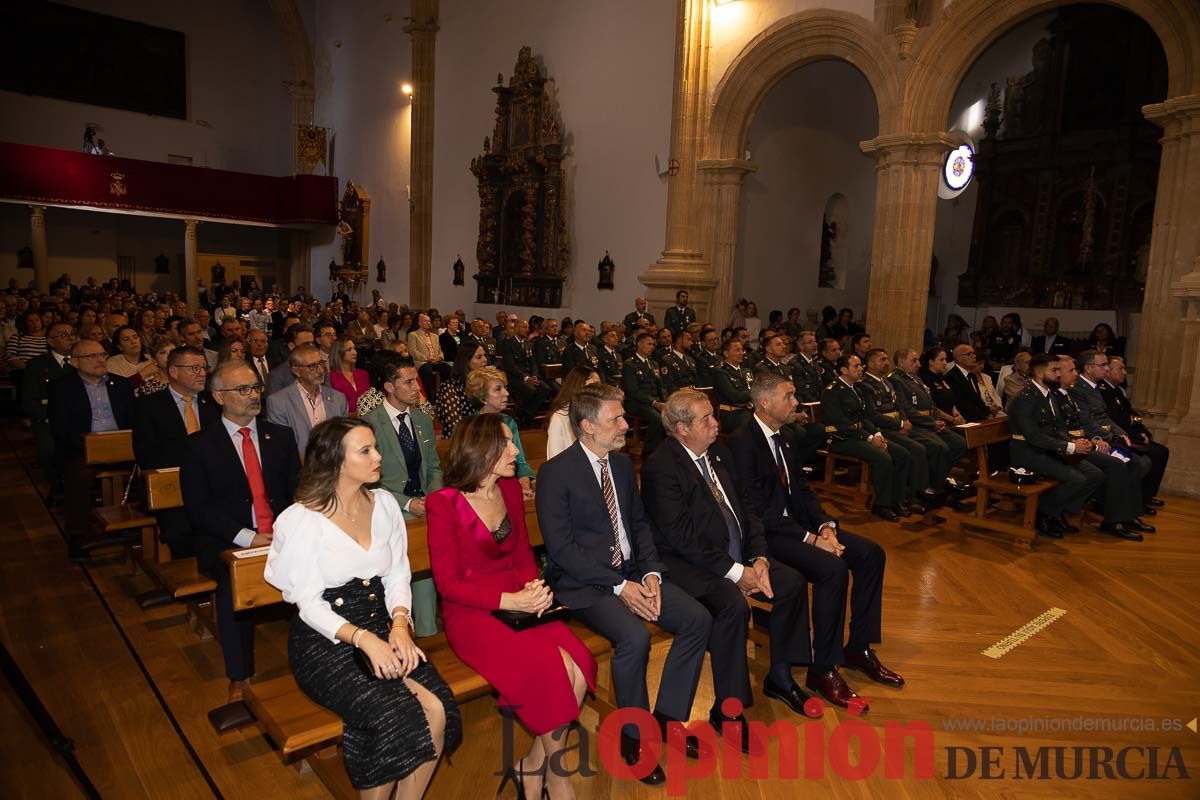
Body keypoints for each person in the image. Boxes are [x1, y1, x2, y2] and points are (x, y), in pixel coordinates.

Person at [264, 417, 460, 797]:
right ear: (336, 461)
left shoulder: (384, 504)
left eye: (375, 447)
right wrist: (366, 640)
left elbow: (397, 573)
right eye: (365, 450)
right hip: (327, 640)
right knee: (393, 718)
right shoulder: (302, 520)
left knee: (439, 709)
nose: (379, 457)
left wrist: (400, 624)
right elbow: (306, 603)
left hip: (383, 625)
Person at [536, 383, 712, 786]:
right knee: (634, 638)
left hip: (632, 573)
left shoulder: (619, 465)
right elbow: (562, 551)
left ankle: (668, 716)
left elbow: (638, 524)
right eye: (615, 418)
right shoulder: (556, 473)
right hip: (585, 584)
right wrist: (620, 587)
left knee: (697, 619)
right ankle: (633, 737)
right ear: (587, 425)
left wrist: (650, 571)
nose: (625, 424)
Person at [427, 415, 595, 799]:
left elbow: (521, 554)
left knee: (580, 665)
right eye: (506, 444)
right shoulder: (444, 504)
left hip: (517, 600)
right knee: (551, 670)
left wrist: (534, 586)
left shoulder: (510, 490)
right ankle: (560, 782)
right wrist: (510, 599)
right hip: (472, 611)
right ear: (480, 449)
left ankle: (531, 767)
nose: (516, 451)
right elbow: (448, 584)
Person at [641, 389, 812, 746]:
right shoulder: (662, 466)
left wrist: (759, 558)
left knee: (792, 583)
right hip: (688, 563)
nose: (716, 424)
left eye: (713, 416)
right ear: (681, 428)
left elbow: (747, 511)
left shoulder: (718, 453)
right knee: (732, 607)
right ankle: (728, 709)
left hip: (738, 557)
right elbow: (683, 538)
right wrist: (737, 574)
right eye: (706, 419)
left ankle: (780, 675)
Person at [727, 373, 902, 710]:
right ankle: (822, 668)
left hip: (799, 527)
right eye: (789, 396)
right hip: (769, 537)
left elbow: (803, 492)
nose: (797, 402)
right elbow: (755, 511)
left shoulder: (787, 437)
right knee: (832, 569)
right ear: (764, 403)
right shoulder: (741, 442)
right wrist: (809, 538)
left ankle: (858, 647)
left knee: (870, 554)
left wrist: (824, 526)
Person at [181, 361, 300, 701]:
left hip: (280, 535)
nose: (253, 396)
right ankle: (240, 675)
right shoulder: (199, 445)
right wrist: (248, 538)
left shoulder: (279, 436)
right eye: (243, 389)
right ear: (218, 396)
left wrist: (287, 531)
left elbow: (297, 492)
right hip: (228, 540)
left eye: (256, 388)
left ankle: (314, 662)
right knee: (235, 585)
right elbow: (199, 509)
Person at [49, 339, 135, 559]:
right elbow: (61, 429)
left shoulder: (122, 384)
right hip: (83, 447)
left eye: (102, 355)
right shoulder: (63, 388)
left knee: (149, 468)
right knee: (78, 476)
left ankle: (134, 525)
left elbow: (134, 420)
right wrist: (91, 446)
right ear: (75, 362)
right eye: (92, 356)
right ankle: (78, 535)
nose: (99, 360)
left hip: (123, 444)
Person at [131, 346, 221, 556]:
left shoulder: (214, 403)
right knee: (183, 534)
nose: (202, 374)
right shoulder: (149, 406)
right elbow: (146, 455)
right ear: (173, 371)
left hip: (214, 485)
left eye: (204, 368)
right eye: (194, 368)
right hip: (172, 487)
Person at [1005, 354, 1105, 539]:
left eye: (1059, 370)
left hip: (1048, 449)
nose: (1059, 374)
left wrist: (1074, 442)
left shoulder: (1048, 394)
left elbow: (1058, 427)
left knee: (1094, 474)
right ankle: (1044, 514)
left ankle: (1057, 512)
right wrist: (1069, 447)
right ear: (1040, 373)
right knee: (1076, 479)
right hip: (1028, 453)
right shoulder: (1025, 399)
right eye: (1055, 370)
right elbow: (1033, 437)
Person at [1055, 355, 1152, 539]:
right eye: (1072, 370)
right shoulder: (1068, 392)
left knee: (1132, 462)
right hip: (1076, 445)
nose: (1076, 373)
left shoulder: (1069, 391)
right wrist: (1097, 438)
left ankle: (1127, 515)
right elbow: (1078, 424)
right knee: (1119, 465)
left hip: (1088, 441)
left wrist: (1115, 435)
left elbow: (1099, 417)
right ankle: (1114, 520)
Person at [821, 355, 909, 522]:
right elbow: (842, 424)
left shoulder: (856, 388)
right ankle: (881, 505)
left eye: (861, 365)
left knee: (902, 454)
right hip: (841, 439)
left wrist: (876, 433)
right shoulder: (832, 391)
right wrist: (869, 437)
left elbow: (865, 417)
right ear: (844, 370)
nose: (861, 368)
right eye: (856, 366)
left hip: (859, 436)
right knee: (883, 458)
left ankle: (895, 501)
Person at [362, 358, 442, 515]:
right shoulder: (369, 425)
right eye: (409, 382)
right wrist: (407, 503)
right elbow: (367, 480)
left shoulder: (423, 420)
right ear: (389, 387)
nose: (417, 388)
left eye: (417, 381)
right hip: (390, 506)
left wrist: (433, 497)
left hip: (425, 500)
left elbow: (434, 467)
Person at [858, 350, 934, 514]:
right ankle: (906, 498)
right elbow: (872, 415)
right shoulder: (864, 384)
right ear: (871, 364)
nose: (887, 362)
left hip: (896, 427)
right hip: (883, 429)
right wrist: (898, 423)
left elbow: (899, 405)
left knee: (920, 448)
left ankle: (911, 495)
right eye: (882, 360)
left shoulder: (887, 382)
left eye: (887, 359)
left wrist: (905, 421)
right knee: (913, 451)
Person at [890, 349, 969, 496]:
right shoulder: (895, 380)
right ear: (901, 361)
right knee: (940, 448)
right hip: (916, 425)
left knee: (960, 443)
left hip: (931, 422)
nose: (919, 364)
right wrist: (931, 423)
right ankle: (930, 486)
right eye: (914, 360)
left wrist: (936, 420)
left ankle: (936, 478)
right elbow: (906, 409)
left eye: (919, 360)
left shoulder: (916, 378)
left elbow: (931, 404)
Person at [1099, 357, 1168, 508]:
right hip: (1121, 435)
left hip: (1130, 434)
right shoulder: (1103, 390)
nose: (1124, 372)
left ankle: (1146, 496)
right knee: (1154, 455)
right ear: (1108, 372)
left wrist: (1144, 432)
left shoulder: (1117, 390)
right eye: (1120, 368)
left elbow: (1132, 414)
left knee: (1161, 452)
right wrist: (1135, 434)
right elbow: (1117, 419)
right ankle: (1138, 499)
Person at [21, 321, 74, 502]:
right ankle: (58, 486)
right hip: (49, 419)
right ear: (50, 342)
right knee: (48, 448)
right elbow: (29, 400)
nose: (70, 338)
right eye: (63, 335)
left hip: (79, 418)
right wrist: (48, 417)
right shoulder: (37, 365)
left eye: (71, 334)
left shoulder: (81, 361)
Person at [267, 344, 349, 455]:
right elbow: (282, 446)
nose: (320, 370)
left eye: (321, 364)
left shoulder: (338, 399)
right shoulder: (278, 402)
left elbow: (345, 439)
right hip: (300, 468)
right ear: (296, 371)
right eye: (312, 366)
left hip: (334, 465)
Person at [467, 367, 534, 499]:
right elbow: (473, 471)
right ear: (482, 397)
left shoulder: (509, 422)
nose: (506, 393)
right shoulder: (470, 428)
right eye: (498, 389)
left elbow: (520, 462)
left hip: (511, 481)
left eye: (505, 388)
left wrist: (524, 484)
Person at [622, 332, 668, 457]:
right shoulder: (630, 364)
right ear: (639, 345)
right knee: (658, 420)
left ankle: (665, 451)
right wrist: (654, 402)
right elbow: (633, 391)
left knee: (673, 415)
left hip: (654, 402)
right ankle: (649, 453)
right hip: (636, 402)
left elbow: (661, 386)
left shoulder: (654, 364)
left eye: (653, 344)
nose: (652, 347)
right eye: (649, 344)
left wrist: (665, 402)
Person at [500, 318, 552, 426]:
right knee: (530, 390)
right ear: (516, 328)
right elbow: (511, 366)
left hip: (528, 375)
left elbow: (533, 362)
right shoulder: (508, 343)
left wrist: (534, 375)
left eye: (527, 327)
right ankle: (523, 415)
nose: (527, 329)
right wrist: (526, 378)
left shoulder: (528, 343)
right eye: (524, 327)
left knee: (545, 389)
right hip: (515, 377)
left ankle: (526, 413)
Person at [544, 367, 600, 460]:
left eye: (599, 386)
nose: (598, 391)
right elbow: (554, 459)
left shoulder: (600, 413)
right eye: (593, 386)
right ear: (578, 387)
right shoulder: (560, 418)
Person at [436, 344, 486, 439]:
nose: (485, 360)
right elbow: (454, 425)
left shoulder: (483, 384)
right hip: (461, 442)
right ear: (466, 361)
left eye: (484, 356)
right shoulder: (450, 386)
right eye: (479, 357)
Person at [407, 313, 451, 401]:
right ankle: (428, 397)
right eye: (425, 321)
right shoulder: (413, 335)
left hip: (435, 361)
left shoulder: (435, 336)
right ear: (419, 323)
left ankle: (445, 394)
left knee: (447, 368)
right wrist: (427, 358)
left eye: (429, 321)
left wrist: (439, 357)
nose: (428, 323)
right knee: (427, 370)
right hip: (422, 361)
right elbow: (413, 351)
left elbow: (440, 350)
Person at [330, 338, 370, 414]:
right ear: (339, 353)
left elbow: (369, 401)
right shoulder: (332, 377)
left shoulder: (363, 374)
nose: (355, 352)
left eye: (354, 349)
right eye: (349, 350)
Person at [660, 330, 698, 395]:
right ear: (679, 340)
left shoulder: (691, 359)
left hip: (693, 395)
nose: (691, 343)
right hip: (678, 397)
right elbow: (668, 384)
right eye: (688, 339)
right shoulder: (667, 360)